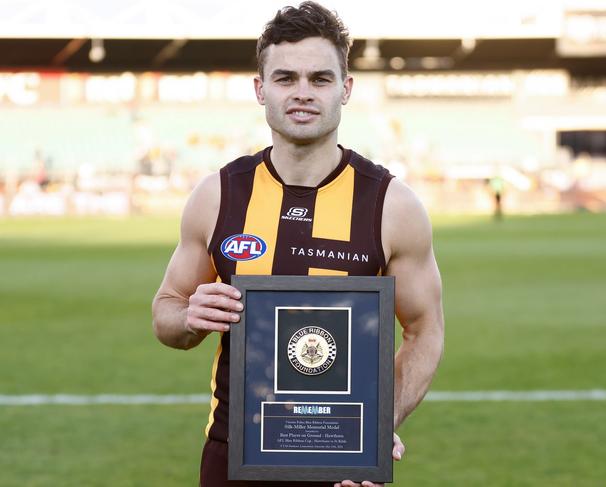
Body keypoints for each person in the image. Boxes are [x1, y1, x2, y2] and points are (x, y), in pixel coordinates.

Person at [152, 2, 444, 486]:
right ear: (260, 88)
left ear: (345, 89)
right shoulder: (217, 195)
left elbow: (424, 329)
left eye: (320, 79)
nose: (303, 93)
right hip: (233, 457)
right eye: (286, 78)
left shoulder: (393, 205)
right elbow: (166, 313)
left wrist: (375, 429)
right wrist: (188, 316)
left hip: (344, 462)